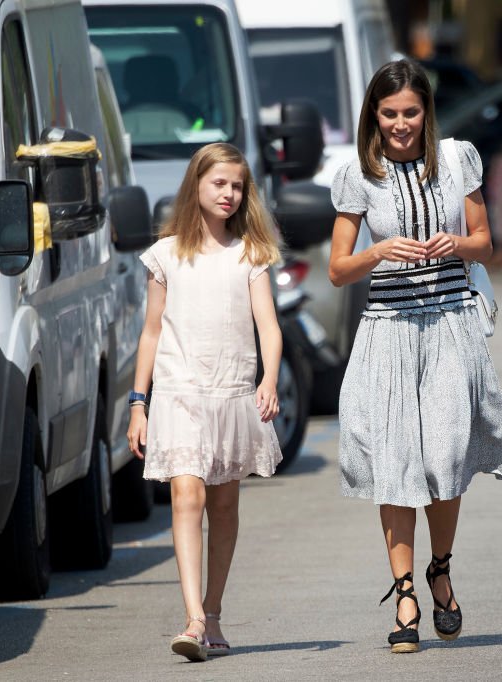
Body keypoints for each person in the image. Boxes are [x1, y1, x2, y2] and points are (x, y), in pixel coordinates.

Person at [329, 59, 502, 654]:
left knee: (444, 457)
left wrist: (455, 243)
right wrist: (379, 249)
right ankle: (405, 591)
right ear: (374, 116)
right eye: (390, 114)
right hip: (387, 331)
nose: (401, 124)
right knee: (394, 464)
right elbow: (337, 270)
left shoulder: (458, 159)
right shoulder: (359, 175)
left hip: (447, 327)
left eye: (411, 112)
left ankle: (441, 567)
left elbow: (486, 243)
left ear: (426, 113)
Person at [127, 142, 283, 662]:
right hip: (179, 394)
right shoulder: (165, 254)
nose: (230, 194)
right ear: (196, 185)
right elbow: (150, 333)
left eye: (238, 186)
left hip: (233, 393)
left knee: (224, 502)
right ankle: (192, 618)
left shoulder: (250, 254)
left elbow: (269, 327)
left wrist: (270, 378)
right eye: (219, 184)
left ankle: (213, 611)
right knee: (186, 495)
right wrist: (137, 402)